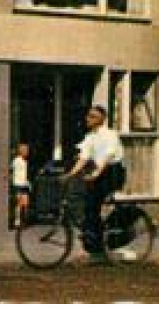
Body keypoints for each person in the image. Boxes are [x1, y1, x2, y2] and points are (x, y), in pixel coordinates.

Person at [66, 106, 126, 262]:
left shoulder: (110, 135)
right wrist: (70, 174)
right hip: (99, 172)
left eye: (93, 116)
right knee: (87, 204)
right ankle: (94, 241)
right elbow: (83, 158)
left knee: (93, 205)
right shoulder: (90, 137)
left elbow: (108, 156)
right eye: (88, 116)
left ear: (102, 119)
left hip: (112, 172)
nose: (88, 119)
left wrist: (96, 174)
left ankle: (98, 248)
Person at [10, 143, 32, 229]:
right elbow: (11, 170)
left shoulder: (25, 161)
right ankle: (17, 221)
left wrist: (28, 182)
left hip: (24, 185)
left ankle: (23, 221)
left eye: (27, 150)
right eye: (25, 150)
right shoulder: (16, 160)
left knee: (25, 204)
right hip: (18, 184)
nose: (27, 152)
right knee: (19, 203)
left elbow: (24, 174)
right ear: (20, 151)